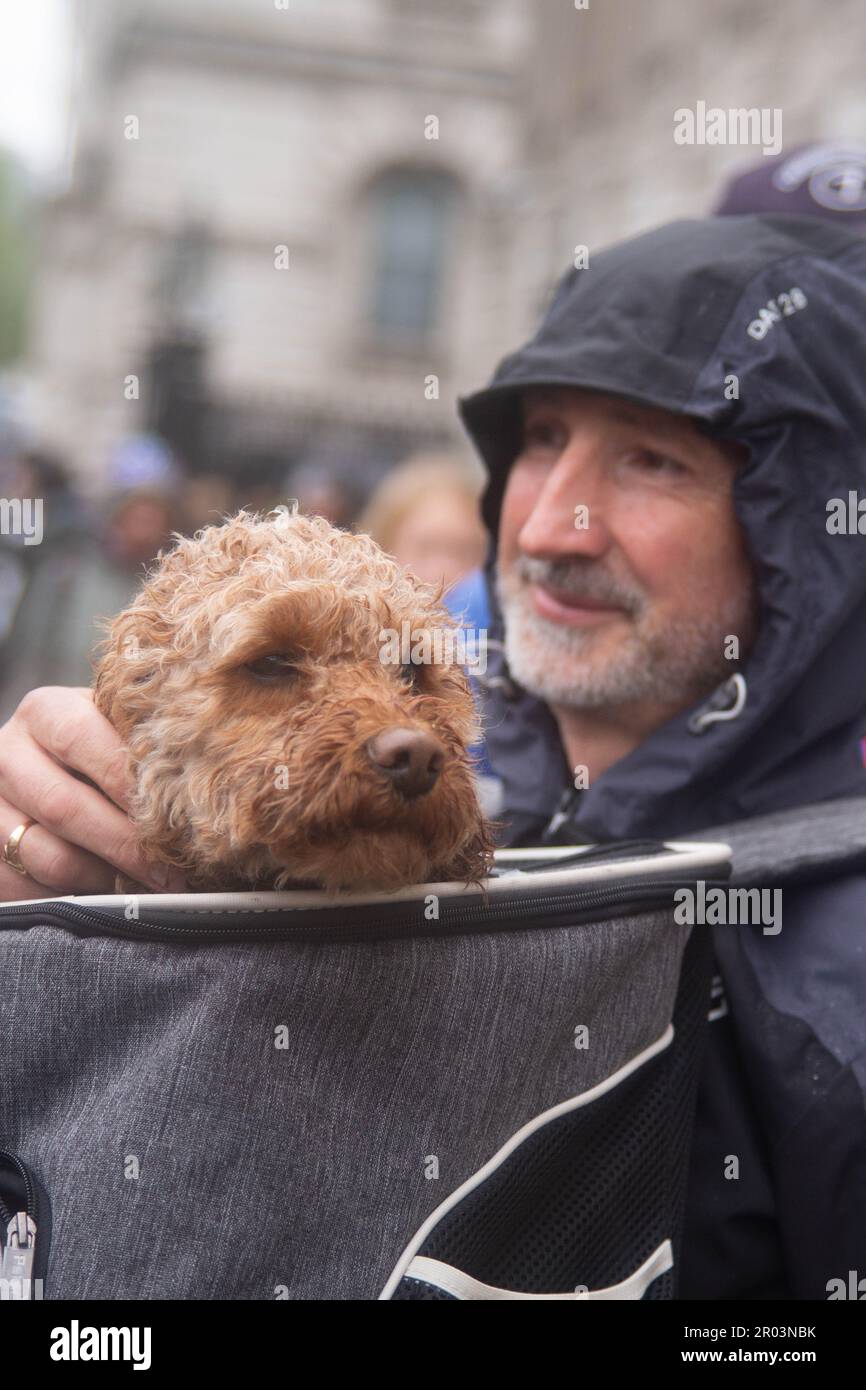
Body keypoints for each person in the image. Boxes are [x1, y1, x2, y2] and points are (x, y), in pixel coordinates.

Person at [1, 213, 865, 1298]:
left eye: (652, 459)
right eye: (539, 442)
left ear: (806, 530)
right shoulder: (467, 798)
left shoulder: (830, 976)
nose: (551, 523)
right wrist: (41, 893)